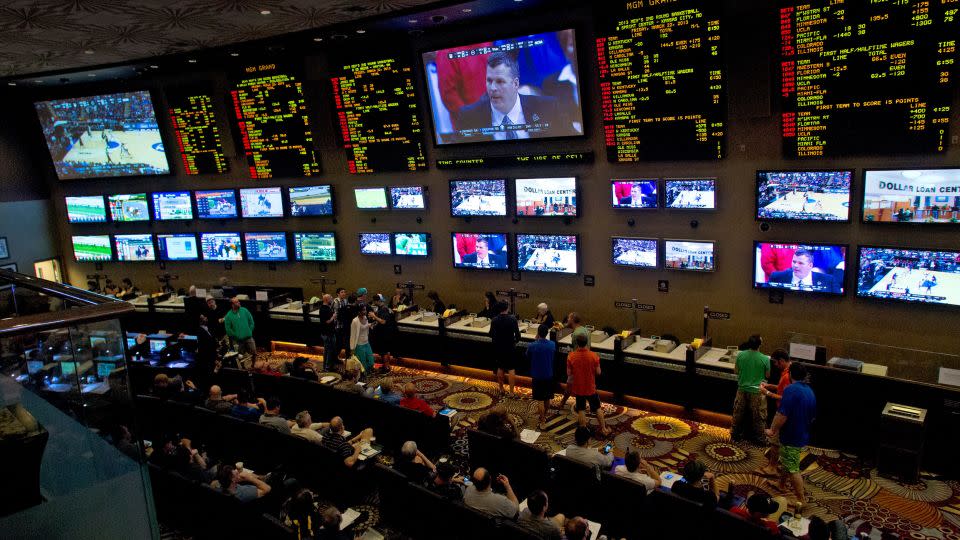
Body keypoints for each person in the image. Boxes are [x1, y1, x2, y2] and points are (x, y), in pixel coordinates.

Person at [456, 52, 571, 141]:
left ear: (515, 84)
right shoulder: (469, 116)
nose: (493, 88)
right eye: (489, 81)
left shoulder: (548, 107)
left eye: (500, 81)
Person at [766, 362, 816, 506]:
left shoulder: (790, 390)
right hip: (802, 433)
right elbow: (813, 416)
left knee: (793, 468)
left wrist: (772, 430)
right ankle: (781, 484)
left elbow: (782, 414)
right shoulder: (809, 391)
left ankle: (801, 499)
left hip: (791, 435)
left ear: (791, 375)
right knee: (787, 461)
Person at [567, 332, 610, 435]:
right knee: (597, 408)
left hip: (579, 387)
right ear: (587, 343)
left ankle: (583, 431)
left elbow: (569, 373)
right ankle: (604, 429)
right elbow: (598, 372)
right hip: (590, 387)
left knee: (581, 409)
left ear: (577, 343)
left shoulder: (571, 356)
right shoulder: (593, 356)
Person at [732, 334, 770, 445]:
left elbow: (736, 371)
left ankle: (735, 435)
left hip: (742, 389)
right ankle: (760, 439)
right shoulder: (765, 359)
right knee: (759, 416)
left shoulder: (740, 355)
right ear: (760, 344)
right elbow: (767, 375)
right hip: (757, 392)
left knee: (738, 413)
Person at [760, 348, 792, 473]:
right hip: (786, 411)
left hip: (783, 411)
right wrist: (770, 386)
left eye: (775, 362)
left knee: (775, 441)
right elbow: (782, 389)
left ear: (782, 360)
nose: (774, 365)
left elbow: (786, 397)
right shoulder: (789, 371)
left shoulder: (786, 376)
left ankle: (772, 467)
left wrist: (767, 392)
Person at [557, 312, 589, 410]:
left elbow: (576, 351)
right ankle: (589, 404)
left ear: (572, 320)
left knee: (569, 384)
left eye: (569, 318)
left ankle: (563, 403)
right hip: (587, 361)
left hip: (578, 364)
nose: (567, 320)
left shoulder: (576, 334)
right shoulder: (585, 330)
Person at [769, 249, 840, 293]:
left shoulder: (829, 281)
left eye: (800, 263)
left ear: (810, 265)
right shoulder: (777, 277)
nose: (796, 266)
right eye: (794, 262)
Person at [527, 323, 557, 428]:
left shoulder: (532, 345)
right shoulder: (552, 344)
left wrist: (536, 340)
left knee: (540, 400)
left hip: (537, 376)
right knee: (547, 398)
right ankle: (545, 414)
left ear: (538, 333)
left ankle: (542, 419)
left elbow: (528, 355)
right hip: (548, 375)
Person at [490, 301, 521, 396]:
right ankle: (511, 391)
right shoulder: (512, 319)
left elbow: (490, 334)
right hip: (510, 347)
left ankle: (501, 389)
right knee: (511, 369)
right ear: (507, 308)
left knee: (500, 367)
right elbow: (518, 335)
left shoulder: (494, 320)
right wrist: (514, 342)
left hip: (499, 347)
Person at [349, 303, 375, 374]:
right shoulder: (355, 321)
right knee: (363, 364)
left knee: (371, 361)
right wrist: (352, 349)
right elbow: (353, 335)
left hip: (366, 343)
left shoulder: (365, 318)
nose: (365, 311)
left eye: (365, 310)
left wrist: (370, 325)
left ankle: (366, 373)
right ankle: (364, 376)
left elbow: (365, 327)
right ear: (358, 312)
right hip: (359, 345)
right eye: (363, 310)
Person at [317, 294, 338, 372]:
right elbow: (327, 321)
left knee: (328, 350)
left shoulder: (325, 307)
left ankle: (327, 367)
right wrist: (334, 316)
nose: (332, 299)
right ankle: (327, 368)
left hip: (328, 333)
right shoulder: (324, 309)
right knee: (329, 351)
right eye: (331, 298)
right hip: (328, 334)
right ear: (327, 299)